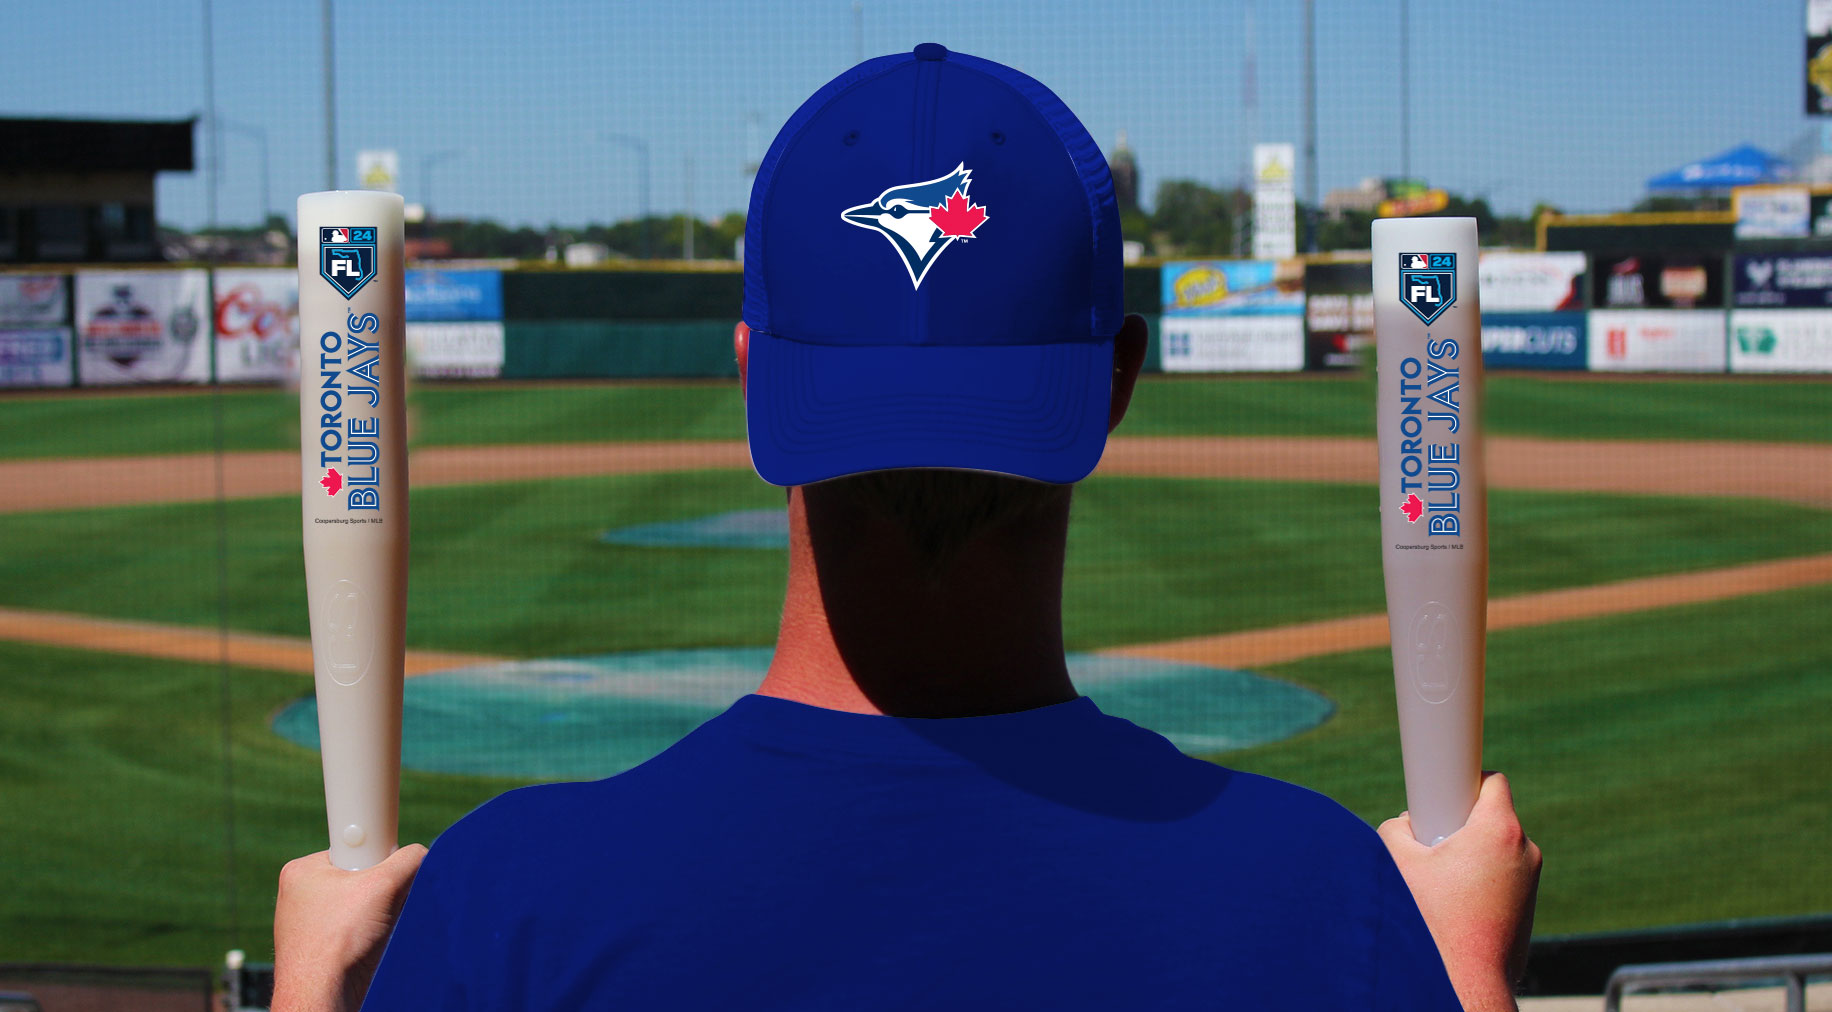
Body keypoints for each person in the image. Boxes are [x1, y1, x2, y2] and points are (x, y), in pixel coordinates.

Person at [274, 45, 1540, 1012]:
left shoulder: (506, 909)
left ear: (750, 376)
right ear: (1114, 381)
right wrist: (1462, 976)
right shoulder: (1321, 902)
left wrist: (314, 994)